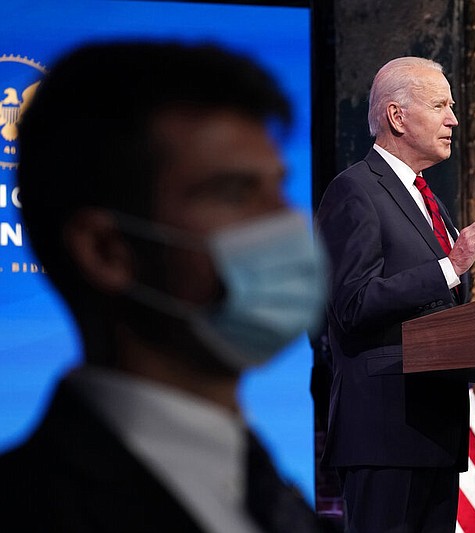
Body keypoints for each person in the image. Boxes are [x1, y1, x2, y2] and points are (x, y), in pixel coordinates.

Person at [0, 41, 332, 533]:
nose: (287, 222)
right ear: (106, 251)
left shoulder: (270, 494)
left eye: (278, 188)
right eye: (235, 193)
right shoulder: (28, 508)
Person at [316, 56, 475, 532]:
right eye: (440, 105)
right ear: (397, 117)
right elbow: (352, 302)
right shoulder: (354, 190)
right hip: (383, 427)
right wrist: (452, 264)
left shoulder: (430, 200)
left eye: (454, 106)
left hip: (435, 427)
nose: (453, 119)